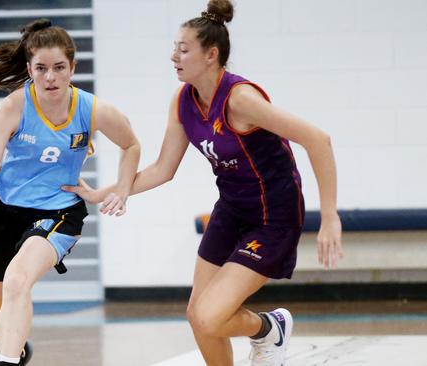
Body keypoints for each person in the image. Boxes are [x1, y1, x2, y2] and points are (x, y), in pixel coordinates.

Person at [63, 1, 343, 365]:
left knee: (212, 315)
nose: (173, 56)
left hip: (274, 215)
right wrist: (112, 191)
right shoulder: (183, 100)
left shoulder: (241, 99)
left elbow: (318, 140)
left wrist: (330, 216)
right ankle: (265, 333)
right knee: (198, 317)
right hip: (231, 210)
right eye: (174, 48)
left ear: (211, 55)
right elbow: (164, 168)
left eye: (183, 49)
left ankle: (269, 329)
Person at [0, 19, 140, 366]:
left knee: (18, 280)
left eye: (59, 68)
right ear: (29, 69)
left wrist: (121, 188)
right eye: (41, 68)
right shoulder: (12, 108)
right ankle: (12, 352)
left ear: (72, 68)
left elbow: (131, 144)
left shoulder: (93, 109)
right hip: (3, 210)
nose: (50, 77)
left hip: (58, 212)